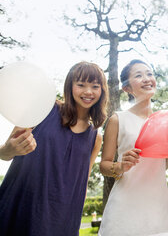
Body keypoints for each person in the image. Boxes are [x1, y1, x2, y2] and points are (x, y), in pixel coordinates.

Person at [0, 61, 108, 235]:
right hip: (23, 203)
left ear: (102, 91)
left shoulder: (95, 137)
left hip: (60, 216)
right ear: (69, 86)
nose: (88, 92)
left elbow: (81, 183)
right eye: (81, 85)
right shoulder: (44, 109)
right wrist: (10, 150)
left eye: (95, 86)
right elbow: (4, 153)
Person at [98, 59, 168, 236]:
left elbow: (162, 165)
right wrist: (120, 166)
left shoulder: (164, 122)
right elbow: (104, 165)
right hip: (124, 209)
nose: (147, 79)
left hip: (157, 207)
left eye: (149, 74)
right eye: (139, 75)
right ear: (127, 88)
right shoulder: (118, 119)